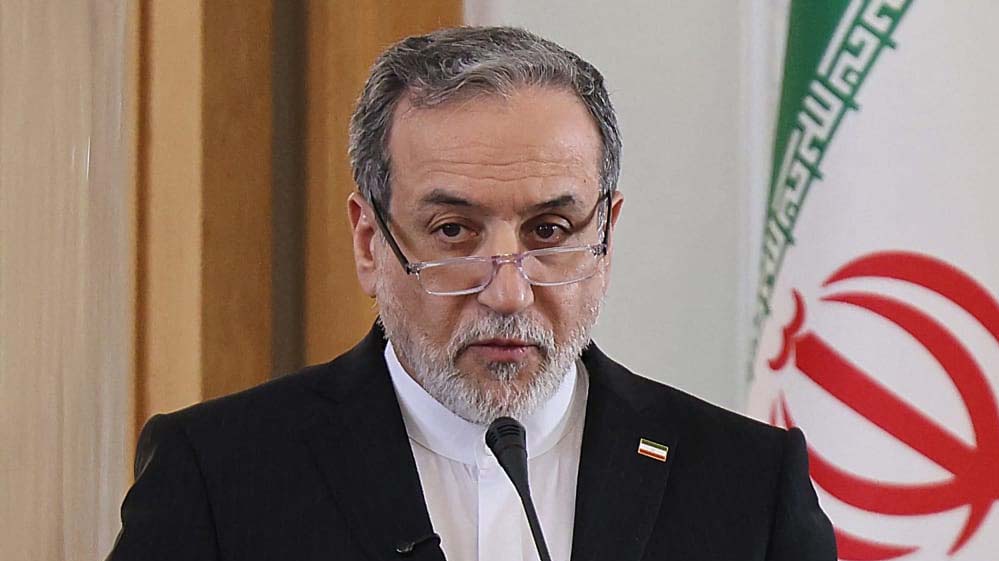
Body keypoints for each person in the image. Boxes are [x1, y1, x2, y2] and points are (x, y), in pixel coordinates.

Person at [107, 26, 835, 561]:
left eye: (550, 230)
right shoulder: (219, 474)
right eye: (454, 231)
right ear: (370, 241)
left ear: (606, 236)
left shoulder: (745, 483)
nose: (509, 292)